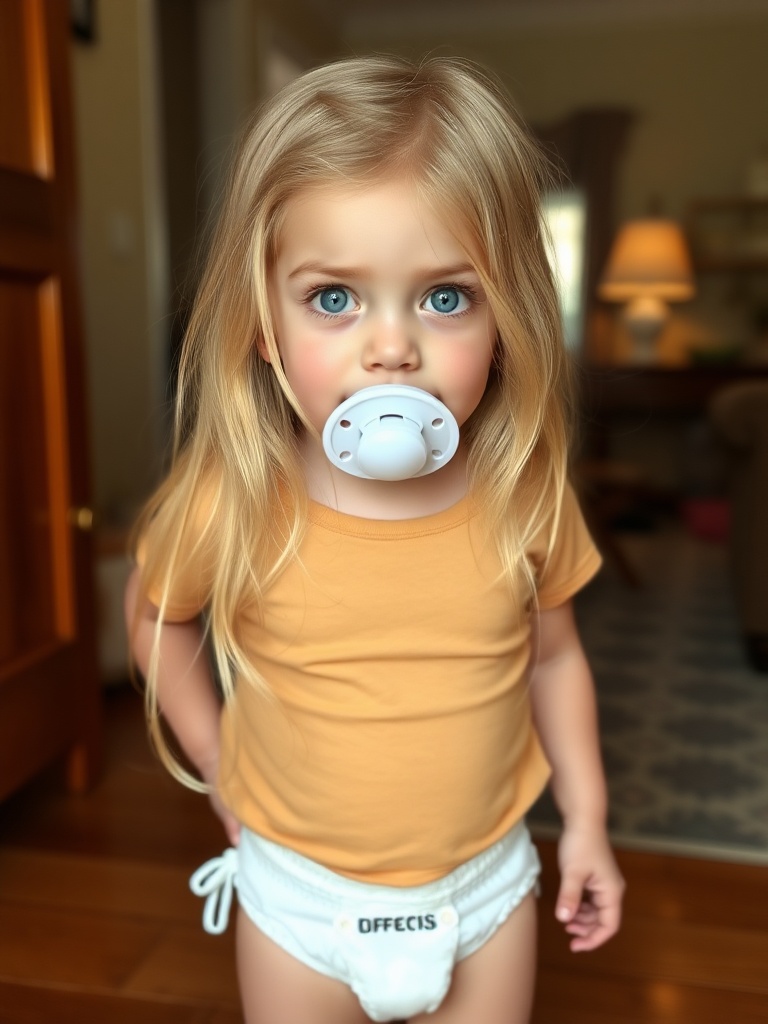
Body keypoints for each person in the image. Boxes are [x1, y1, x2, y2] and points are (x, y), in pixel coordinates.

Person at [125, 54, 624, 1024]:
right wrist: (220, 760)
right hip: (297, 902)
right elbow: (154, 616)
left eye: (445, 297)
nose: (391, 346)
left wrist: (592, 826)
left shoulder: (523, 493)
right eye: (334, 297)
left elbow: (555, 660)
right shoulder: (238, 495)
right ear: (265, 327)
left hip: (484, 893)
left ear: (508, 318)